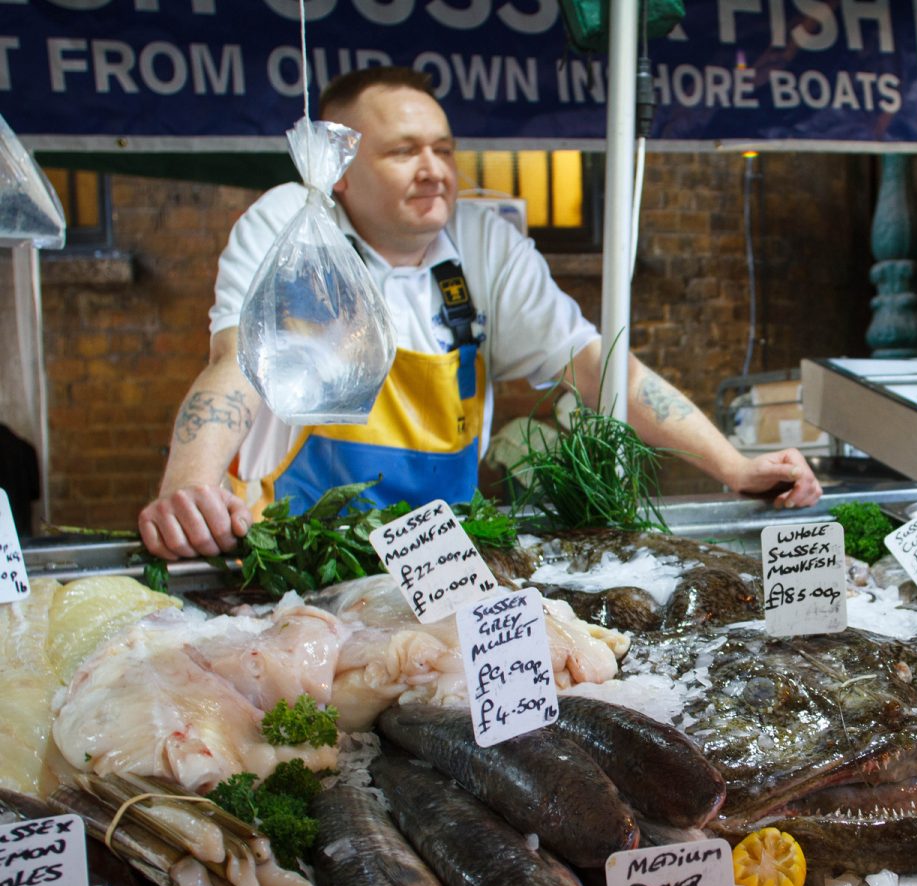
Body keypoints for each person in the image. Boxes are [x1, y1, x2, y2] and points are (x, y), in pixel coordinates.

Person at [139, 66, 821, 560]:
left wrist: (733, 466)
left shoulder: (482, 242)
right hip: (299, 557)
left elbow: (597, 368)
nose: (433, 168)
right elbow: (237, 365)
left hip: (438, 561)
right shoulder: (293, 224)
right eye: (404, 151)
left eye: (443, 148)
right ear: (339, 171)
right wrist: (189, 485)